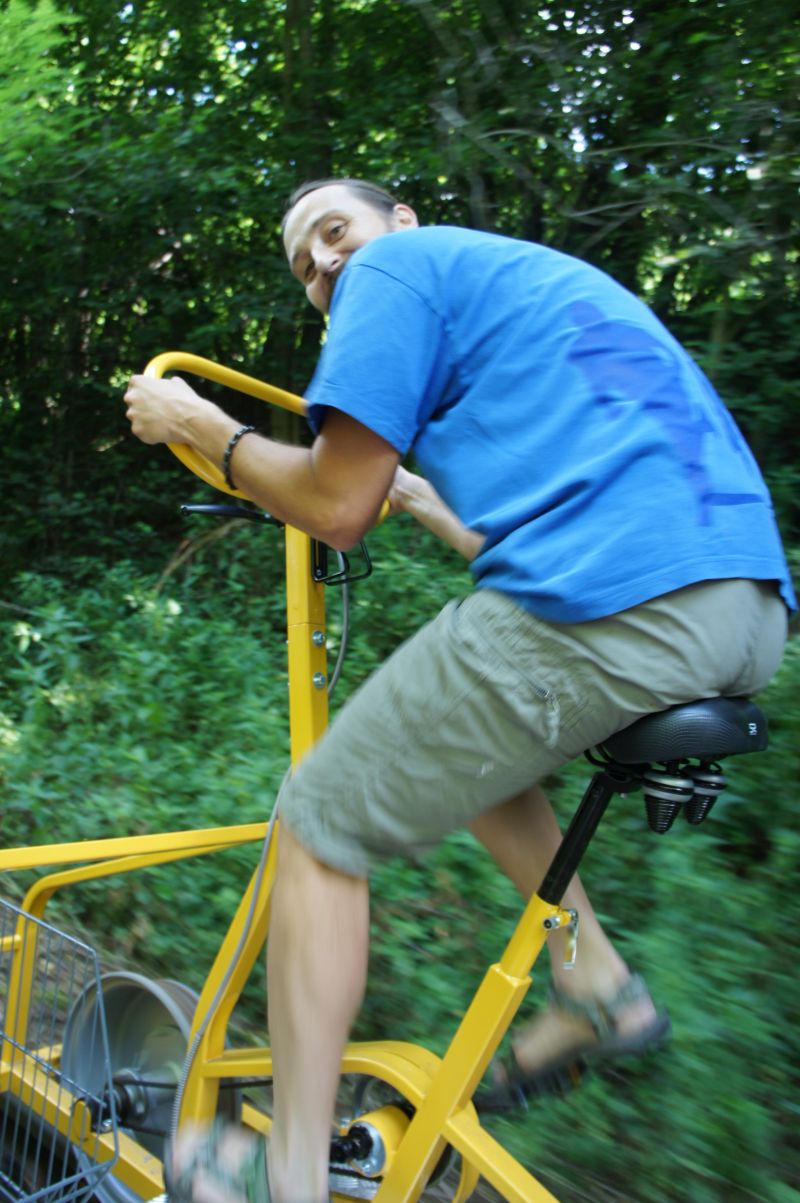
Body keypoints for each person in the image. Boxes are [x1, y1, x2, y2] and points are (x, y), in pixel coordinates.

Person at [123, 178, 795, 1203]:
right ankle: (596, 981)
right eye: (305, 267)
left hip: (618, 596)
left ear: (402, 223)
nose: (325, 265)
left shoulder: (395, 271)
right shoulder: (520, 290)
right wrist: (428, 503)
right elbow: (499, 518)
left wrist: (199, 421)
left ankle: (283, 1174)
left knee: (317, 820)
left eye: (334, 232)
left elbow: (334, 506)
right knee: (474, 757)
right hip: (738, 608)